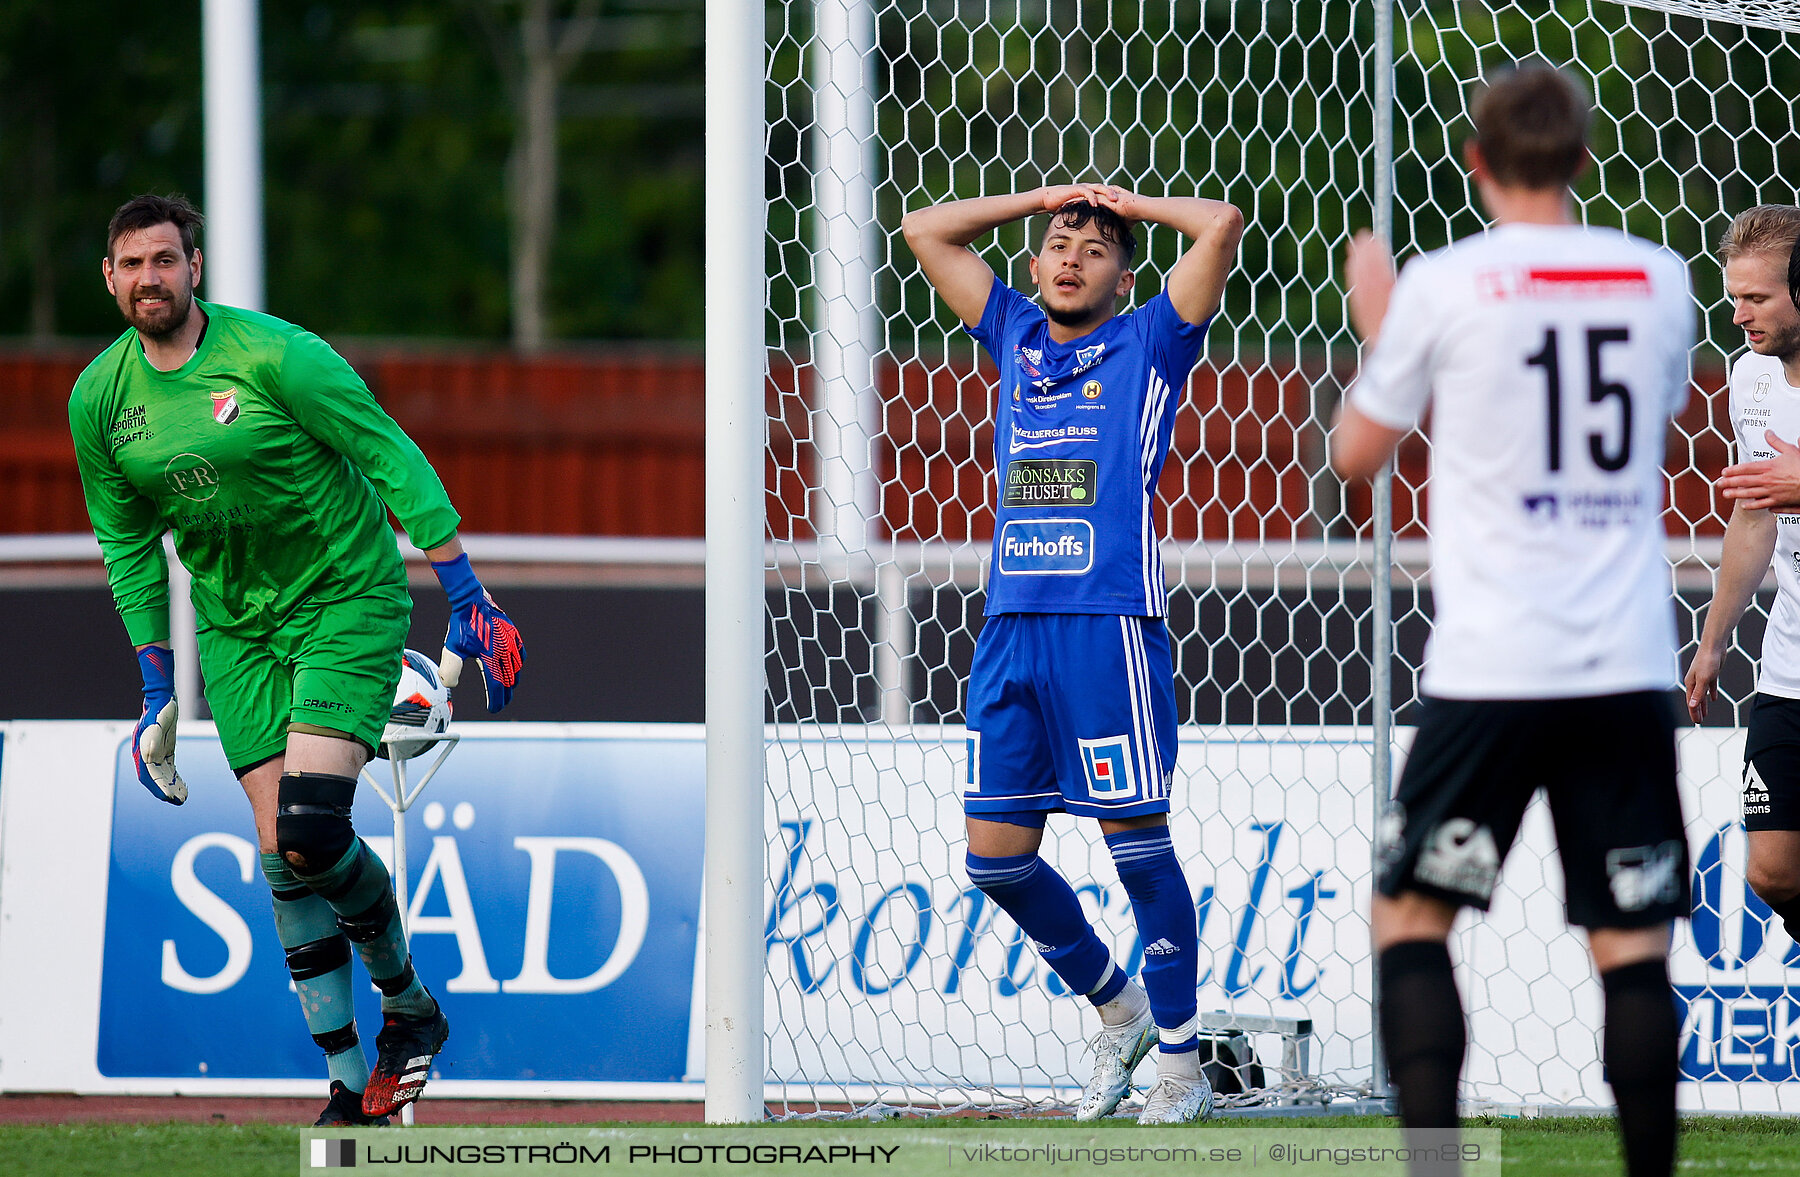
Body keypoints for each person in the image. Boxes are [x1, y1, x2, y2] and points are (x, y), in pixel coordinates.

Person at [69, 194, 525, 1127]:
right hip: (234, 631)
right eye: (130, 264)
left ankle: (411, 1008)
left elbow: (386, 451)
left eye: (164, 259)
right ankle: (350, 1082)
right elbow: (125, 544)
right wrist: (158, 685)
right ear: (109, 279)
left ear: (195, 266)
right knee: (282, 852)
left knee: (314, 828)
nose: (148, 278)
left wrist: (464, 586)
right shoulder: (98, 400)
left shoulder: (278, 355)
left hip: (342, 598)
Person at [1331, 66, 1690, 1177]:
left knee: (1411, 921)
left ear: (1476, 161)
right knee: (1630, 944)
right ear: (1583, 157)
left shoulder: (1443, 284)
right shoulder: (1660, 278)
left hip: (1489, 665)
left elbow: (1355, 459)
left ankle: (1437, 1168)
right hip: (1625, 659)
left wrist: (1384, 330)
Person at [902, 181, 1242, 1124]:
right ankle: (1117, 1006)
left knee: (1138, 846)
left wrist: (1125, 200)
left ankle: (1180, 1069)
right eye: (1058, 244)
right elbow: (923, 229)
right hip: (1012, 628)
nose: (1069, 257)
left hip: (1109, 625)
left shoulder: (1149, 341)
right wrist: (1047, 197)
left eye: (1092, 250)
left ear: (1124, 276)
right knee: (996, 861)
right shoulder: (1011, 331)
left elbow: (1219, 225)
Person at [1684, 206, 1800, 953]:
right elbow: (1755, 518)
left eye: (1756, 298)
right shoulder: (1751, 379)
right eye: (1734, 296)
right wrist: (1714, 638)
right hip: (1789, 666)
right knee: (1772, 870)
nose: (1738, 314)